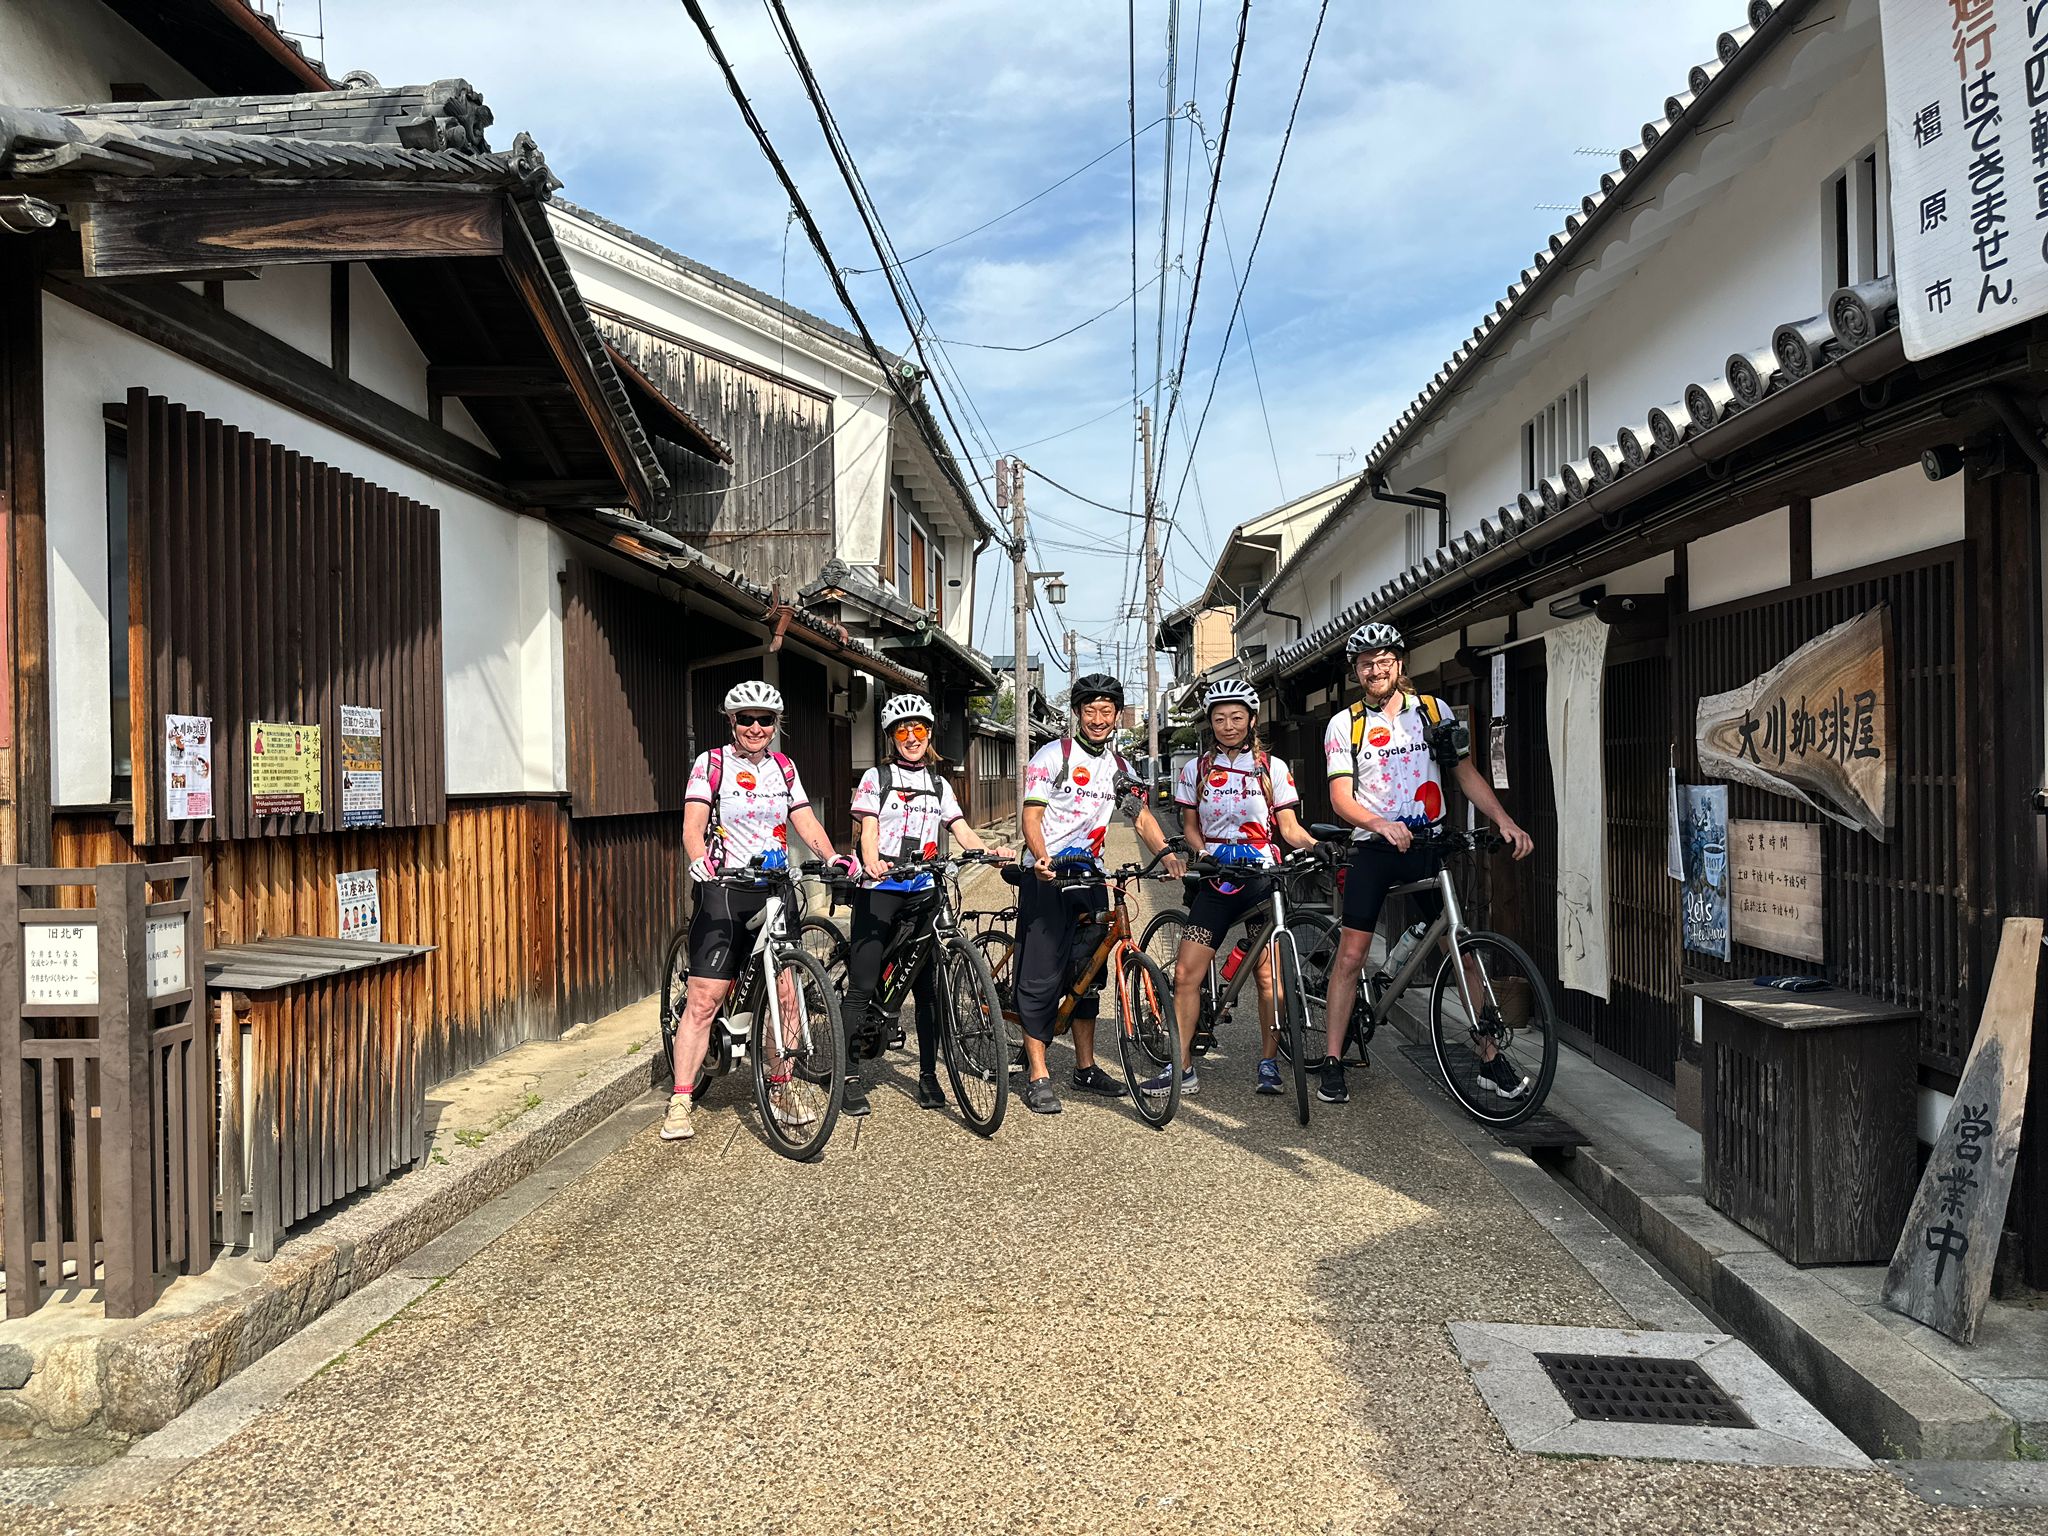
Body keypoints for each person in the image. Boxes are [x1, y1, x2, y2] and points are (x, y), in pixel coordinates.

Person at [1318, 623, 1534, 1106]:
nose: (1375, 670)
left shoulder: (1432, 713)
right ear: (1356, 671)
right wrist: (1377, 824)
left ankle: (1489, 1057)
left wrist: (1503, 820)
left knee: (1460, 950)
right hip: (1374, 849)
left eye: (1383, 660)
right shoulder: (1345, 723)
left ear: (1399, 663)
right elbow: (1339, 798)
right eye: (1365, 663)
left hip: (1427, 846)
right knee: (1352, 955)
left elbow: (1464, 772)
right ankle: (1333, 1059)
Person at [665, 680, 857, 1143]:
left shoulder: (784, 769)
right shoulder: (710, 764)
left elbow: (805, 820)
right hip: (725, 888)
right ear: (731, 721)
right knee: (705, 998)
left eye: (765, 720)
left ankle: (781, 1086)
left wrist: (832, 857)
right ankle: (681, 1097)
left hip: (775, 890)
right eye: (746, 718)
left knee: (786, 993)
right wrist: (698, 859)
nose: (755, 727)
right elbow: (693, 824)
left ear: (776, 726)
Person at [1015, 673, 1184, 1116]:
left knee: (1090, 972)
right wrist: (1040, 856)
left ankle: (1085, 1067)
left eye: (1105, 710)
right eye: (1089, 710)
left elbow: (1141, 815)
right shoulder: (1053, 756)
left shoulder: (1119, 768)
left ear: (1116, 716)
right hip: (1048, 876)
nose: (1097, 718)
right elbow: (1031, 816)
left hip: (1090, 877)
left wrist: (1166, 854)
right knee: (1041, 975)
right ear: (1077, 714)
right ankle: (1038, 1073)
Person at [1145, 678, 1321, 1101]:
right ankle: (1182, 1065)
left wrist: (1319, 846)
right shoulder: (1196, 771)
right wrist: (1202, 853)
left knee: (1268, 976)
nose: (1228, 725)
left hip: (1261, 877)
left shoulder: (1272, 769)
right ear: (1210, 722)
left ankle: (1268, 1061)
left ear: (1251, 720)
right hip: (1215, 879)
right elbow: (1189, 827)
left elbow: (1289, 828)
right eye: (1220, 718)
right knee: (1187, 973)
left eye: (1236, 717)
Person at [841, 693, 1015, 1117]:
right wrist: (871, 862)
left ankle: (928, 1076)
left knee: (930, 991)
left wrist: (989, 852)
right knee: (863, 984)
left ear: (930, 733)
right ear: (891, 737)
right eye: (903, 730)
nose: (912, 737)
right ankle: (845, 1076)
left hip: (925, 892)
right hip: (881, 890)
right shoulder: (875, 778)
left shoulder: (939, 784)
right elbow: (868, 829)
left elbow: (961, 828)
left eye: (919, 729)